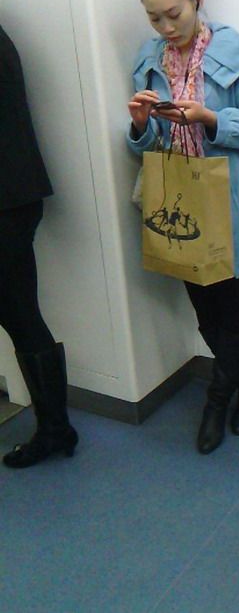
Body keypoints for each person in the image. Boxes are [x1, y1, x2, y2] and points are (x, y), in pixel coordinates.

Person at [127, 0, 239, 454]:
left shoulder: (234, 51)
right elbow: (145, 146)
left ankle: (223, 393)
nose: (166, 26)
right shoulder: (149, 58)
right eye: (154, 17)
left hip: (233, 205)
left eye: (175, 13)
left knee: (235, 313)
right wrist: (139, 123)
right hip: (181, 205)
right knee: (205, 312)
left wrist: (211, 118)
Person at [0, 25, 78, 468]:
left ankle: (56, 429)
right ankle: (56, 429)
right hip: (15, 196)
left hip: (8, 201)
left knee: (19, 314)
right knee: (18, 312)